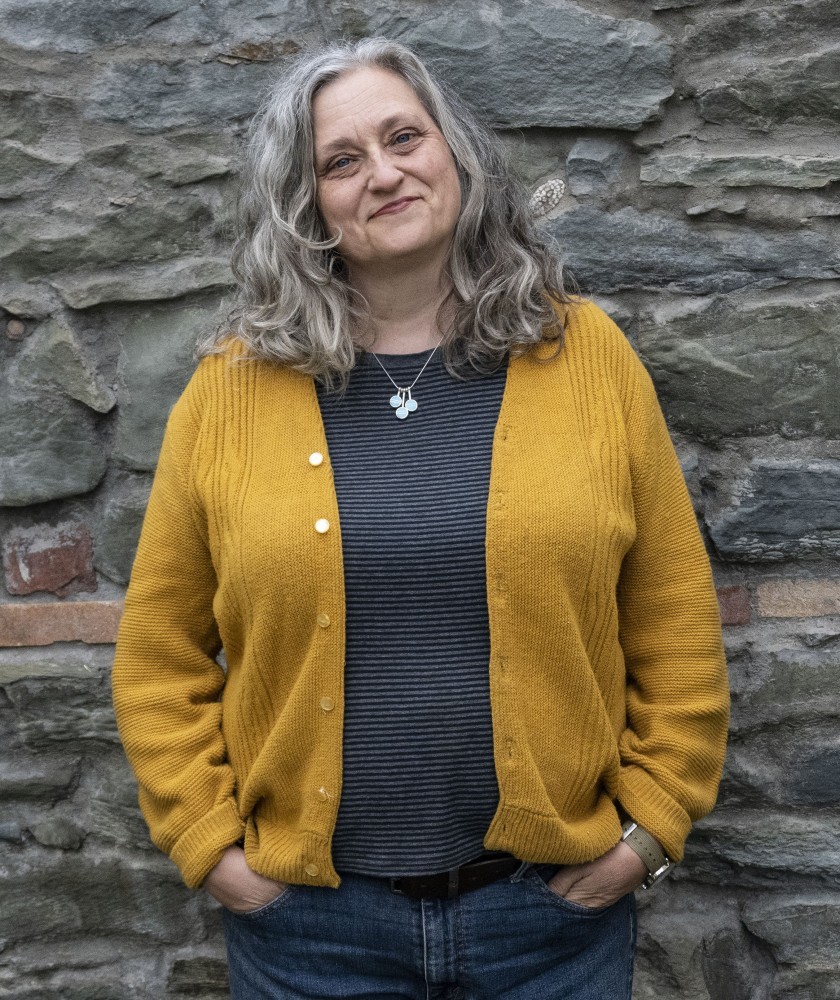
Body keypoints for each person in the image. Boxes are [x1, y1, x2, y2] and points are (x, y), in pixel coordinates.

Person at [111, 36, 730, 1000]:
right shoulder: (230, 388)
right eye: (341, 161)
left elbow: (675, 622)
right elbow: (158, 655)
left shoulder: (588, 358)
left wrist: (646, 831)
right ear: (306, 203)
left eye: (405, 137)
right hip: (310, 932)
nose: (384, 173)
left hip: (550, 924)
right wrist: (215, 850)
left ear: (457, 155)